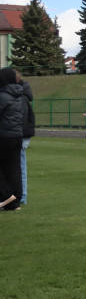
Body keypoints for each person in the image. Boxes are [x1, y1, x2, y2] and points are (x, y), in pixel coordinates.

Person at [0, 68, 24, 210]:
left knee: (10, 168)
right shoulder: (18, 95)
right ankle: (15, 201)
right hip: (16, 135)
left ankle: (5, 195)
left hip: (3, 135)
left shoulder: (3, 96)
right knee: (13, 169)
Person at [16, 71, 33, 206]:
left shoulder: (20, 97)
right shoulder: (24, 95)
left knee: (20, 166)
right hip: (21, 134)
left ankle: (21, 196)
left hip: (18, 135)